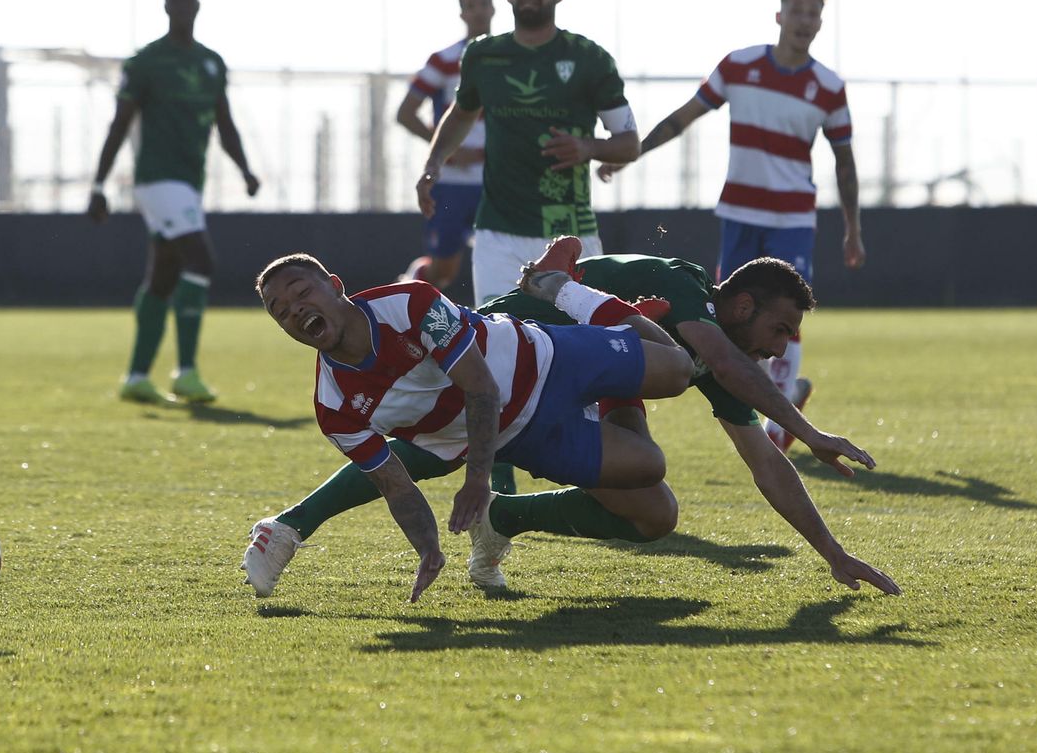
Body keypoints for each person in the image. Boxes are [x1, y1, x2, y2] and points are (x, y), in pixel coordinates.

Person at [242, 239, 900, 601]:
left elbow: (764, 461)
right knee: (435, 435)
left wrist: (833, 555)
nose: (781, 347)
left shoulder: (719, 347)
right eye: (779, 329)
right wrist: (811, 433)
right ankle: (290, 523)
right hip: (535, 336)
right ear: (742, 305)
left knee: (657, 510)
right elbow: (726, 362)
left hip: (537, 388)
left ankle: (506, 516)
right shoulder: (696, 303)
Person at [252, 238, 698, 601]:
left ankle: (560, 289)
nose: (294, 309)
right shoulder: (333, 407)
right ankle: (502, 516)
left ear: (334, 286)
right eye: (280, 310)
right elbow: (395, 485)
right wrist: (428, 548)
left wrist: (477, 479)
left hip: (549, 357)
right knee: (655, 501)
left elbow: (481, 389)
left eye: (302, 292)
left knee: (680, 370)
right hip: (525, 435)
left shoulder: (409, 304)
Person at [599, 0, 864, 450]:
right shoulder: (739, 65)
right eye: (796, 11)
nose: (804, 20)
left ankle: (779, 425)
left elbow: (844, 160)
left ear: (820, 24)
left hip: (792, 218)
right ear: (779, 16)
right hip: (740, 213)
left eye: (813, 14)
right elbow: (685, 116)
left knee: (785, 314)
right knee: (737, 318)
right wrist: (633, 153)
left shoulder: (828, 88)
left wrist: (852, 228)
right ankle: (782, 397)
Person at [416, 0, 641, 308]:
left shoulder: (590, 59)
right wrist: (433, 164)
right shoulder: (482, 55)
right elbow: (461, 113)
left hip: (570, 232)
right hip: (497, 234)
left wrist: (589, 148)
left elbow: (629, 143)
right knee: (499, 339)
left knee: (575, 345)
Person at [87, 0, 260, 405]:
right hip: (157, 179)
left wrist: (246, 170)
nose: (183, 8)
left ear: (198, 7)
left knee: (164, 275)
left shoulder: (212, 63)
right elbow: (120, 123)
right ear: (166, 7)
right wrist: (98, 184)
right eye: (175, 1)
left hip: (188, 182)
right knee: (200, 258)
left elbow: (225, 125)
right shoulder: (146, 62)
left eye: (189, 1)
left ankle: (136, 377)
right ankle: (186, 371)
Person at [394, 0, 496, 293]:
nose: (478, 12)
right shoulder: (444, 60)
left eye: (482, 4)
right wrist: (449, 152)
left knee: (503, 260)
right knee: (444, 271)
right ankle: (414, 284)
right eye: (470, 6)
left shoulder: (513, 59)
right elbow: (405, 113)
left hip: (498, 181)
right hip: (451, 181)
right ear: (462, 14)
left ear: (493, 8)